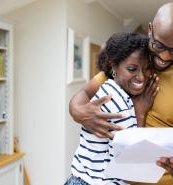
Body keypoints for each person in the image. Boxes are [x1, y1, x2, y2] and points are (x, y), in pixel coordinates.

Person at [69, 2, 173, 185]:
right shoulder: (132, 58)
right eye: (158, 45)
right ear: (150, 30)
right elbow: (85, 93)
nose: (164, 57)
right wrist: (78, 111)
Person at [65, 32, 158, 185]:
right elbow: (130, 170)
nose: (141, 77)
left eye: (146, 68)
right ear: (114, 66)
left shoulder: (110, 89)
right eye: (132, 69)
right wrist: (140, 113)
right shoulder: (115, 102)